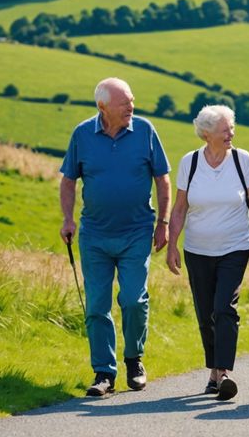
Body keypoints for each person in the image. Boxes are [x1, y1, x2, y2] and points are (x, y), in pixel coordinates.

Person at [59, 77, 170, 397]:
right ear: (103, 107)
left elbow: (162, 179)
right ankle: (103, 373)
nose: (131, 107)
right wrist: (68, 219)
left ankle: (134, 359)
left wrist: (162, 222)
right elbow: (68, 181)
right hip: (94, 235)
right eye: (124, 103)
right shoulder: (82, 134)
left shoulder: (145, 131)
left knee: (133, 300)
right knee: (96, 306)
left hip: (136, 232)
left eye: (132, 100)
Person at [166, 105, 249, 401]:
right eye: (225, 130)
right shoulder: (190, 162)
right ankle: (214, 371)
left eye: (231, 128)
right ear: (207, 134)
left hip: (235, 246)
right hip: (197, 249)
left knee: (224, 308)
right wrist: (172, 245)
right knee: (205, 312)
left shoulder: (241, 160)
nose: (231, 134)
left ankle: (223, 373)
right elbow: (181, 206)